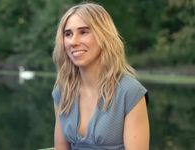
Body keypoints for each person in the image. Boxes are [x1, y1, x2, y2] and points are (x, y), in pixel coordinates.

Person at [52, 2, 149, 150]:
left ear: (103, 35)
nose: (73, 42)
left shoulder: (130, 92)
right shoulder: (62, 91)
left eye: (84, 32)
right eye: (68, 34)